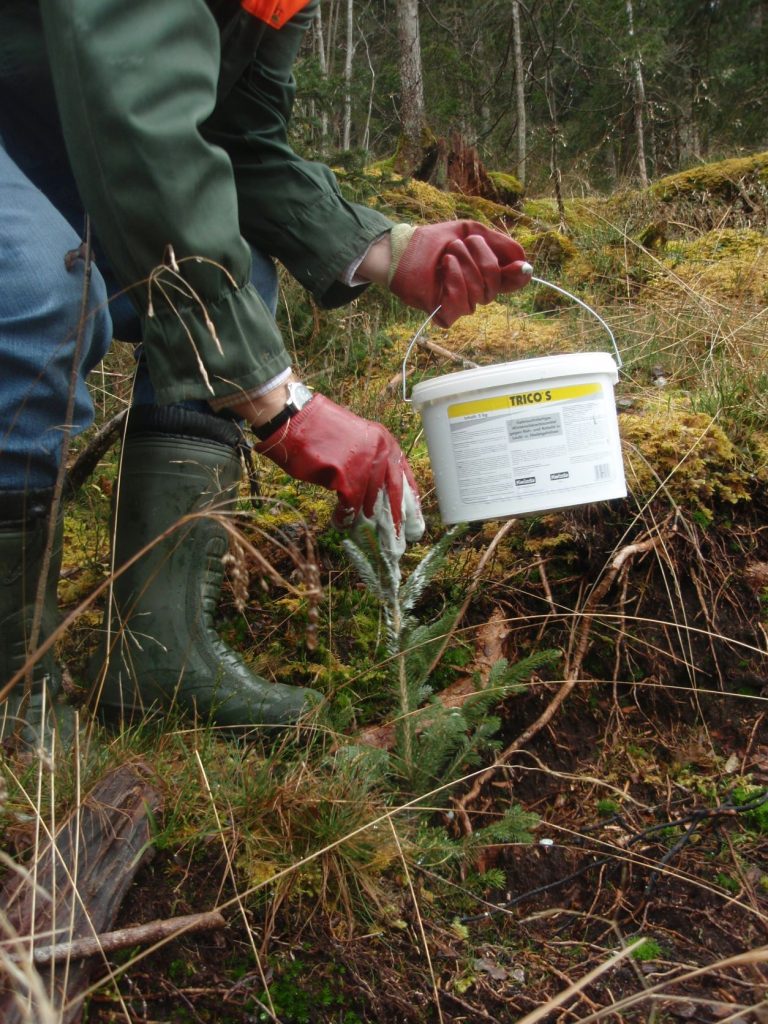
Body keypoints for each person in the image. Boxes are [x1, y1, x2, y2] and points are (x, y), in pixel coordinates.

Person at [0, 0, 531, 746]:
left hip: (74, 135)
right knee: (37, 296)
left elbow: (232, 138)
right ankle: (14, 689)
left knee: (239, 273)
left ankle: (156, 659)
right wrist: (280, 404)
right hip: (65, 135)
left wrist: (387, 247)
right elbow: (133, 108)